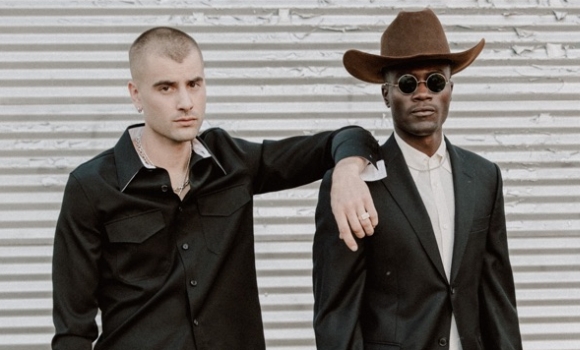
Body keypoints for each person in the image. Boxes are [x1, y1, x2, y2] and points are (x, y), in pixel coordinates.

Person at [51, 26, 382, 349]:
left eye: (194, 84)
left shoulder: (232, 162)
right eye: (166, 88)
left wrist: (347, 172)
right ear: (136, 94)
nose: (185, 102)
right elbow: (72, 331)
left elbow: (348, 138)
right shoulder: (91, 186)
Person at [313, 9, 523, 350]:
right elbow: (336, 313)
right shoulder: (354, 185)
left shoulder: (484, 177)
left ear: (450, 90)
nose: (422, 93)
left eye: (435, 81)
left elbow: (497, 295)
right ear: (386, 94)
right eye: (408, 83)